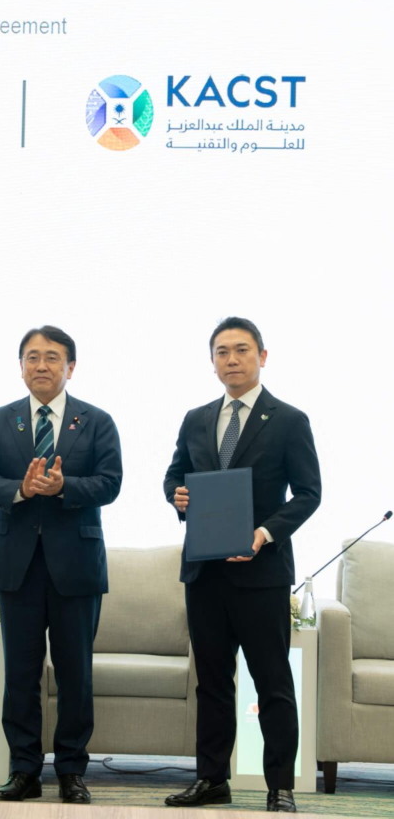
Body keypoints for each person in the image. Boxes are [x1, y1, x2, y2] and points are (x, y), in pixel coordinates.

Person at [163, 318, 321, 813]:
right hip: (205, 573)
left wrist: (265, 532)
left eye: (242, 350)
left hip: (261, 574)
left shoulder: (289, 420)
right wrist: (177, 497)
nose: (231, 359)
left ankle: (281, 787)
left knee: (272, 682)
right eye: (222, 352)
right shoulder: (195, 418)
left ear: (262, 357)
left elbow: (309, 494)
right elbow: (174, 476)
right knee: (211, 683)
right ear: (212, 361)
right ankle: (211, 780)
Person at [0, 325, 123, 804]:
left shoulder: (96, 421)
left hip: (76, 565)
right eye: (32, 357)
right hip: (16, 564)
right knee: (20, 674)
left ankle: (72, 771)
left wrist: (64, 488)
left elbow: (111, 483)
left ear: (70, 367)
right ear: (20, 367)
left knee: (76, 673)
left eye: (52, 357)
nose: (41, 365)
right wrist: (20, 488)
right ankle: (24, 771)